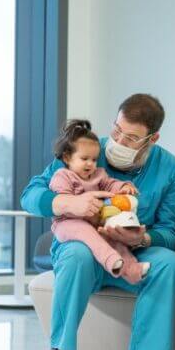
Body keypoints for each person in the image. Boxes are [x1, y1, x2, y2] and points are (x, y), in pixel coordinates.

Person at [21, 93, 175, 350]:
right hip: (83, 248)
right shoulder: (86, 149)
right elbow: (31, 194)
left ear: (152, 139)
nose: (118, 140)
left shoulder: (173, 172)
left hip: (132, 254)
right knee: (76, 254)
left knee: (169, 264)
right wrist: (66, 203)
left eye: (130, 137)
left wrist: (141, 239)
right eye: (116, 130)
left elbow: (174, 233)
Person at [49, 119, 149, 283]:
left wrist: (123, 187)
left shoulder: (99, 175)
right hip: (67, 223)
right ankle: (111, 261)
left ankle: (132, 270)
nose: (90, 163)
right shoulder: (62, 176)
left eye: (94, 159)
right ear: (67, 158)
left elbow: (110, 184)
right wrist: (79, 206)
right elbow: (65, 202)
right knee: (88, 234)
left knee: (113, 238)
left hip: (94, 222)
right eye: (84, 158)